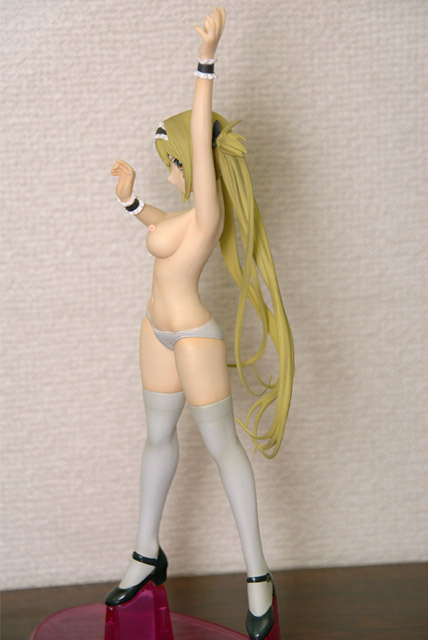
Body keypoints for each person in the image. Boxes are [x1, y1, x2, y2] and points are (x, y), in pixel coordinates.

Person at [105, 8, 294, 639]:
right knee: (157, 439)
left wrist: (206, 62)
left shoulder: (208, 213)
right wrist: (133, 202)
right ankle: (145, 552)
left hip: (193, 338)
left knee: (222, 448)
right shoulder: (182, 218)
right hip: (155, 332)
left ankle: (258, 575)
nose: (172, 173)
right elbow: (160, 225)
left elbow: (198, 153)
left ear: (195, 159)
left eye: (175, 162)